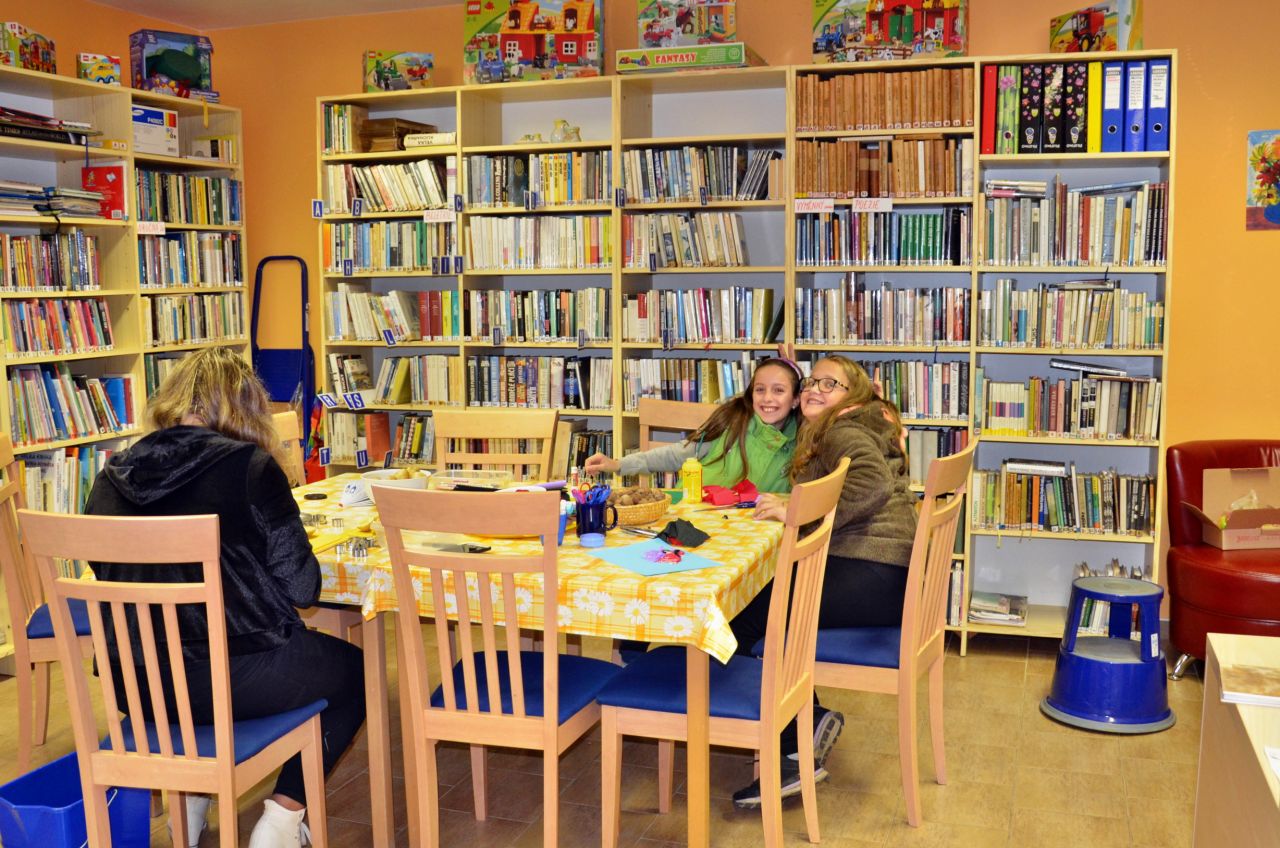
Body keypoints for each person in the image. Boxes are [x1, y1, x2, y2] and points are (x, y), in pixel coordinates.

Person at [84, 348, 365, 848]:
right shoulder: (249, 467)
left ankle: (192, 797)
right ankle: (281, 820)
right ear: (246, 409)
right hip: (232, 681)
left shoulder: (110, 476)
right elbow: (303, 588)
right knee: (355, 671)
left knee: (228, 667)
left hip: (139, 686)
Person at [729, 354, 918, 809]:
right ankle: (805, 726)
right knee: (768, 603)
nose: (814, 389)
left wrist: (797, 510)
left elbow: (871, 485)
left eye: (829, 384)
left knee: (744, 616)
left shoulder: (841, 430)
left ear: (852, 396)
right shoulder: (859, 423)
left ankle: (791, 750)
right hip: (888, 575)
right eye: (811, 382)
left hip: (870, 571)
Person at [583, 357, 803, 494]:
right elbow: (676, 454)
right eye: (760, 389)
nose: (767, 398)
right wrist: (618, 464)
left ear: (795, 399)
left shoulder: (802, 442)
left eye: (779, 390)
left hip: (750, 533)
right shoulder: (732, 423)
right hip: (695, 521)